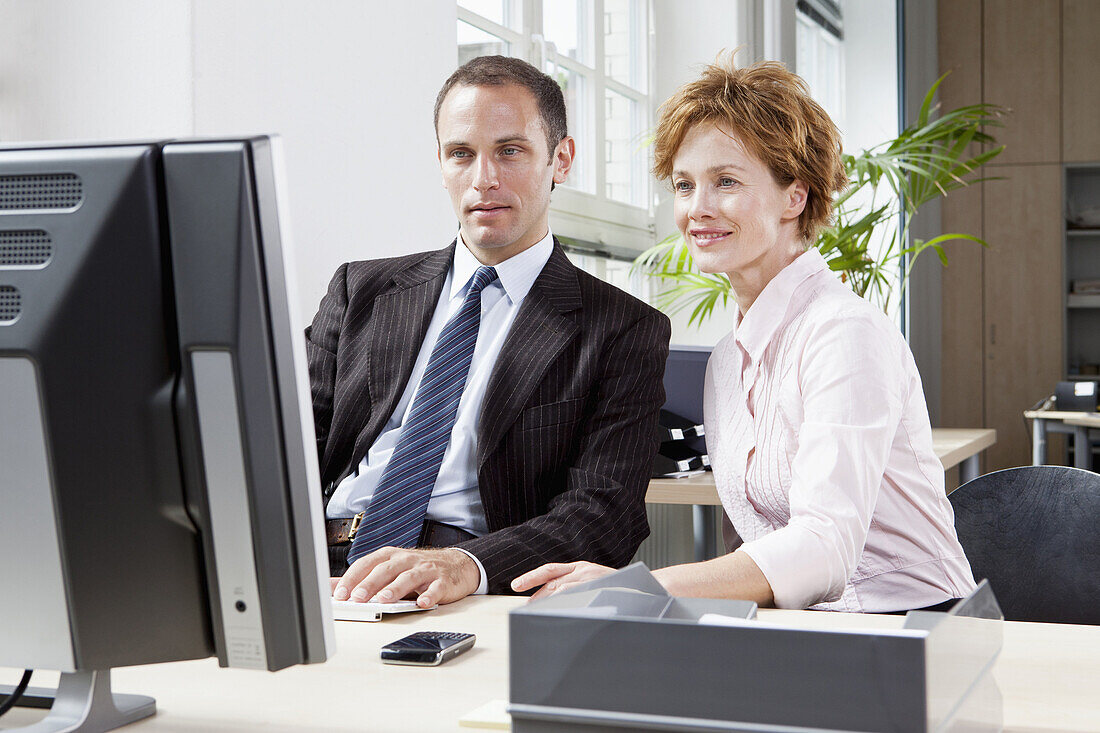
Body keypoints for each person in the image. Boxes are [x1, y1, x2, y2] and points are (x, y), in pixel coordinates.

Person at [513, 56, 976, 613]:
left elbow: (824, 548)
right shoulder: (728, 361)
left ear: (794, 197)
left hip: (911, 627)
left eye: (725, 182)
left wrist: (639, 584)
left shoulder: (844, 333)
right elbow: (757, 549)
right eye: (684, 186)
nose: (697, 210)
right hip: (801, 632)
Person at [307, 55, 671, 608]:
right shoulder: (362, 291)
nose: (484, 180)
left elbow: (605, 514)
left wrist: (469, 567)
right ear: (441, 162)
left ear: (561, 160)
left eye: (510, 150)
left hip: (468, 583)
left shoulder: (621, 329)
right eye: (462, 154)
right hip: (323, 564)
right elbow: (284, 444)